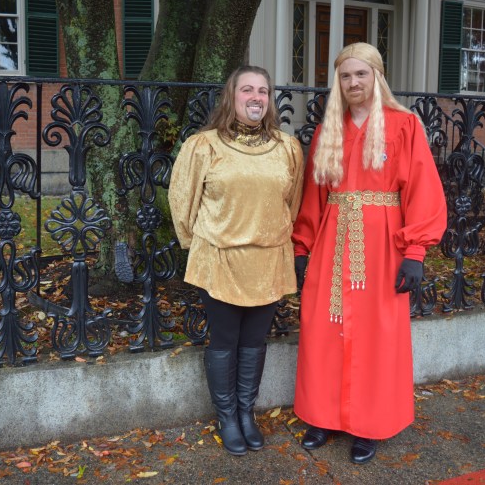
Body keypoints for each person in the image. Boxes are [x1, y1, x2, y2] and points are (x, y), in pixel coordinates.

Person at [291, 43, 447, 464]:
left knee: (378, 334)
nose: (353, 82)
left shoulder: (403, 125)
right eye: (345, 76)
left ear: (377, 76)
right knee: (323, 328)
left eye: (361, 74)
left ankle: (369, 423)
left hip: (382, 246)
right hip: (332, 241)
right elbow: (314, 195)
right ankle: (322, 416)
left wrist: (415, 251)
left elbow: (423, 189)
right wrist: (302, 246)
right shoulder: (328, 130)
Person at [168, 66, 304, 456]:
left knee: (255, 341)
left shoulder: (287, 148)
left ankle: (246, 413)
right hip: (220, 259)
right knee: (225, 340)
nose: (256, 97)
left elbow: (292, 204)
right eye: (247, 89)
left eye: (263, 90)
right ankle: (227, 417)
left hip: (268, 260)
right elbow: (182, 201)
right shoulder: (204, 145)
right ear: (232, 96)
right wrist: (202, 244)